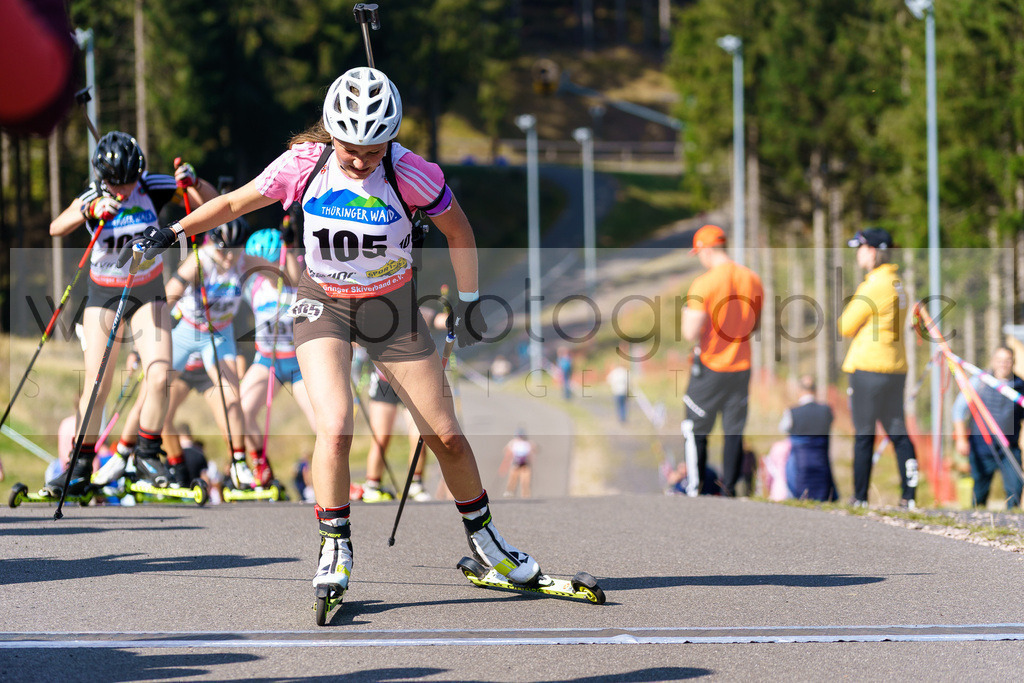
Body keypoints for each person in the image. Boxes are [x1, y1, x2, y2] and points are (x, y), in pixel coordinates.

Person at [121, 67, 544, 597]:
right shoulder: (305, 165)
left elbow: (458, 230)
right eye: (350, 150)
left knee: (447, 438)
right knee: (337, 427)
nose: (361, 161)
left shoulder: (412, 173)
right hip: (323, 302)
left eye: (373, 151)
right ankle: (334, 546)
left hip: (390, 308)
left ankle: (487, 542)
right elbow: (232, 203)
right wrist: (173, 231)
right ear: (331, 133)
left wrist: (470, 300)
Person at [46, 131, 217, 496]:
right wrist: (90, 210)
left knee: (159, 374)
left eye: (129, 182)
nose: (123, 190)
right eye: (116, 183)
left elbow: (212, 204)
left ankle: (147, 456)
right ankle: (79, 465)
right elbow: (56, 227)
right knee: (97, 384)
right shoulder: (94, 193)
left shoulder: (153, 186)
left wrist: (194, 181)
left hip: (147, 290)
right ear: (103, 177)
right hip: (103, 293)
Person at [165, 220, 260, 489]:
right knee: (160, 405)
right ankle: (177, 470)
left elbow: (282, 272)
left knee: (232, 399)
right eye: (223, 251)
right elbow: (167, 297)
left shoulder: (244, 262)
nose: (229, 258)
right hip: (187, 334)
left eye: (235, 251)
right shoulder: (199, 261)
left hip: (218, 336)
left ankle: (239, 464)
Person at [680, 224, 764, 497]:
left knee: (695, 427)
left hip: (711, 365)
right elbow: (755, 325)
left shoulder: (704, 284)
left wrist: (686, 312)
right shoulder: (752, 279)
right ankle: (729, 489)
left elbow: (690, 332)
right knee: (733, 429)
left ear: (705, 250)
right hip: (741, 365)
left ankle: (696, 488)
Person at [839, 227, 917, 508]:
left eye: (860, 248)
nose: (858, 255)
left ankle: (860, 497)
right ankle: (909, 497)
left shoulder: (874, 285)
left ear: (872, 251)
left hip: (869, 366)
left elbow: (845, 325)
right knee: (898, 431)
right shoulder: (897, 282)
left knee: (864, 434)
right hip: (895, 366)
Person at [238, 227, 315, 486]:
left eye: (269, 264)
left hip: (299, 363)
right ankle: (261, 467)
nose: (264, 271)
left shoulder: (298, 279)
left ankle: (328, 475)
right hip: (267, 360)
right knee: (242, 411)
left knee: (321, 422)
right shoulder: (254, 285)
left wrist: (289, 250)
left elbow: (295, 276)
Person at [952, 346, 1024, 509]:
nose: (1003, 364)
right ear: (993, 361)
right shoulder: (980, 381)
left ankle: (1012, 521)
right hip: (982, 447)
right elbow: (958, 410)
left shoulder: (1020, 386)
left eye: (1007, 360)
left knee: (1015, 488)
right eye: (999, 360)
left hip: (1009, 447)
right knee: (979, 493)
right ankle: (976, 518)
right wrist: (961, 440)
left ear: (1013, 362)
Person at [779, 375, 838, 502]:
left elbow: (783, 428)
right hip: (822, 466)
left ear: (799, 390)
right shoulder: (826, 410)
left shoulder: (792, 412)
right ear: (815, 390)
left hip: (799, 468)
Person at [499, 429, 535, 498]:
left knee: (525, 481)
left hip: (525, 465)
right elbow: (506, 452)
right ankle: (510, 492)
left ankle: (526, 495)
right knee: (512, 480)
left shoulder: (528, 443)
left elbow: (533, 451)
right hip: (515, 464)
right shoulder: (513, 443)